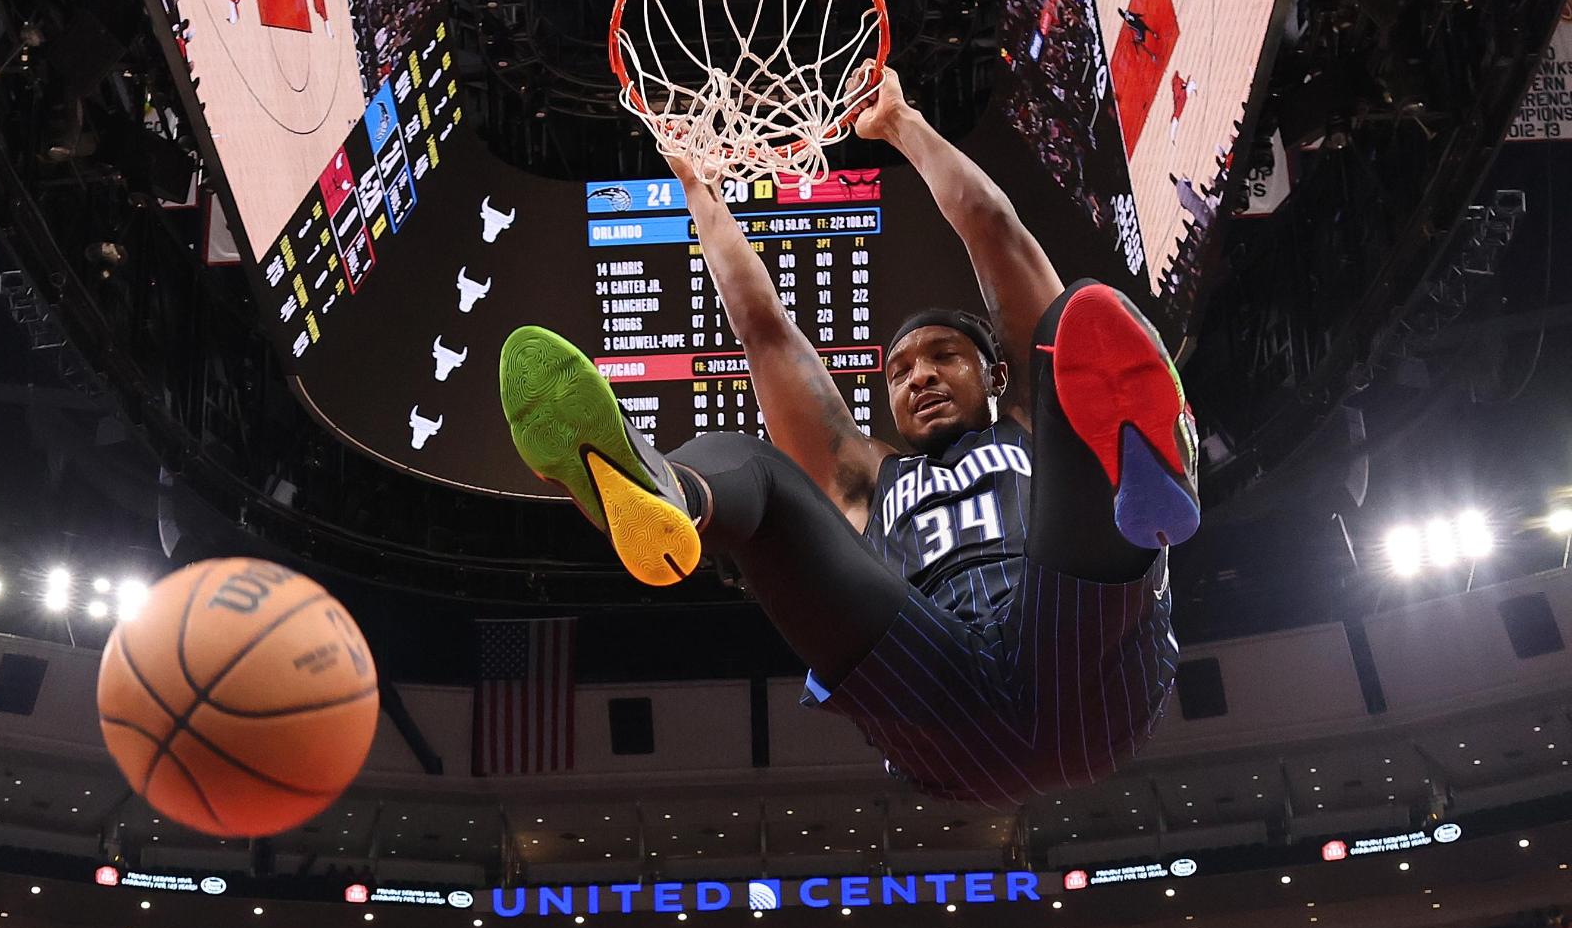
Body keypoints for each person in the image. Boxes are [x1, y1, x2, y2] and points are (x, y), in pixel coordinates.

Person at [498, 65, 1198, 806]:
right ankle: (665, 491)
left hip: (1077, 650)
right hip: (942, 692)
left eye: (943, 357)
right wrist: (698, 192)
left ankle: (1146, 465)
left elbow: (995, 230)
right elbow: (764, 331)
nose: (918, 377)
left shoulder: (1022, 424)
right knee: (758, 471)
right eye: (898, 372)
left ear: (995, 376)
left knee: (1072, 324)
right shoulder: (864, 478)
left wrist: (902, 125)